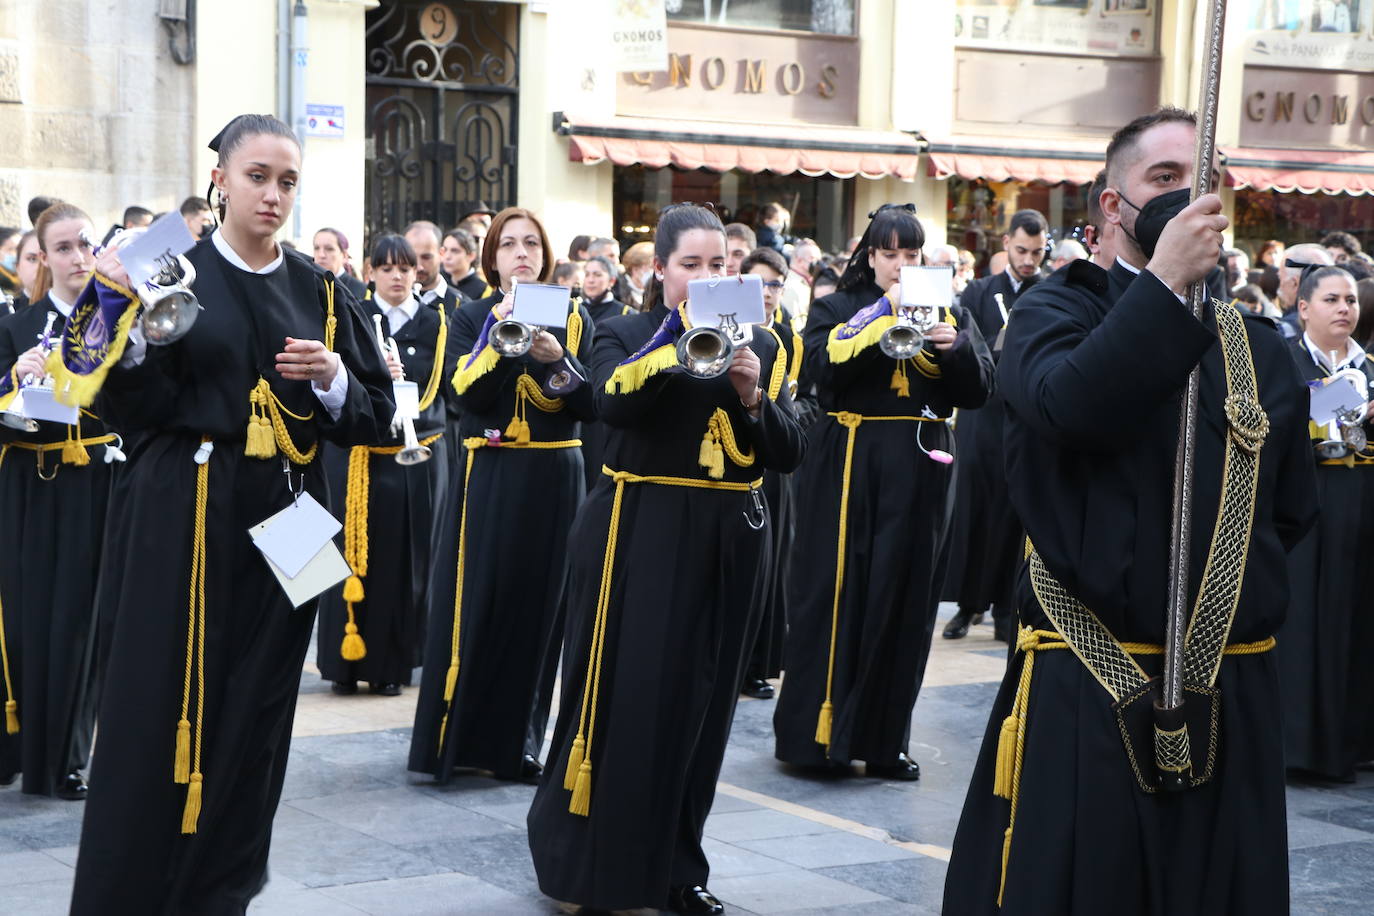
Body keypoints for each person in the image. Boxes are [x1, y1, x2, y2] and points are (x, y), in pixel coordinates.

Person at [944, 107, 1317, 915]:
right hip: (1093, 684)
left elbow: (1287, 514)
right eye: (1163, 180)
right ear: (1113, 208)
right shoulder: (1055, 313)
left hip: (1231, 686)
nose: (1188, 197)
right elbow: (1071, 409)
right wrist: (1163, 287)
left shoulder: (1260, 348)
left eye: (1200, 182)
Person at [67, 114, 394, 914]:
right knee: (155, 708)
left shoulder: (322, 291)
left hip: (289, 519)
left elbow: (379, 414)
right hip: (182, 509)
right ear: (220, 178)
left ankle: (221, 894)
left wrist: (330, 381)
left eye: (287, 181)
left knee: (259, 719)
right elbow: (92, 383)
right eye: (257, 176)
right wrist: (117, 309)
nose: (273, 195)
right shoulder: (166, 267)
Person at [527, 203, 805, 916]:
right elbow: (610, 405)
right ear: (659, 271)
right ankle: (593, 870)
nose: (710, 278)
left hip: (730, 538)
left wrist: (750, 396)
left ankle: (679, 869)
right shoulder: (621, 331)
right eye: (693, 266)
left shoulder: (764, 346)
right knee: (628, 698)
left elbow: (789, 450)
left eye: (721, 266)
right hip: (637, 530)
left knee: (704, 706)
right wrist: (680, 341)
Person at [773, 203, 994, 781]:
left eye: (912, 254)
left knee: (905, 599)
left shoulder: (953, 310)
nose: (901, 264)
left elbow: (978, 392)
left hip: (919, 468)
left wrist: (956, 349)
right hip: (847, 462)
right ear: (869, 256)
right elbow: (821, 372)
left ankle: (884, 738)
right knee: (833, 590)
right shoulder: (835, 307)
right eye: (890, 253)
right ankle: (815, 738)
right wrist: (881, 315)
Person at [409, 206, 593, 785]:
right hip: (488, 472)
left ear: (546, 253)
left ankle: (523, 743)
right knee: (476, 605)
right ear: (492, 256)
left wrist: (557, 359)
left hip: (555, 476)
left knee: (542, 614)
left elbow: (591, 405)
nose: (521, 253)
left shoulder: (576, 318)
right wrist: (500, 335)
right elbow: (467, 396)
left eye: (531, 244)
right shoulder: (469, 315)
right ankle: (454, 739)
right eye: (509, 244)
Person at [0, 203, 118, 800]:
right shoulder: (19, 323)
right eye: (64, 248)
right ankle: (15, 748)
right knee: (22, 620)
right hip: (26, 484)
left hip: (93, 484)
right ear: (42, 258)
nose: (78, 257)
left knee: (79, 624)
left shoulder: (115, 320)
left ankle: (66, 761)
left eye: (86, 245)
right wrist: (10, 382)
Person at [317, 234, 451, 698]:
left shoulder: (438, 322)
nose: (397, 277)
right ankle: (343, 664)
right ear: (370, 272)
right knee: (346, 556)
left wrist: (406, 379)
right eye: (387, 268)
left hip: (413, 455)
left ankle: (391, 664)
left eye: (406, 268)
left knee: (403, 560)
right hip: (358, 454)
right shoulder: (354, 315)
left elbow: (446, 390)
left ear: (417, 273)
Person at [1279, 265, 1374, 782]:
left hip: (1363, 507)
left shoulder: (1370, 365)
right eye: (1333, 299)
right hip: (1309, 505)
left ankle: (1355, 740)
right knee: (1308, 626)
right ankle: (1303, 746)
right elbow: (1278, 415)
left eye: (1352, 300)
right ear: (1304, 308)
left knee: (1358, 623)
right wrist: (1343, 398)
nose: (1344, 309)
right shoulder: (1285, 360)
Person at [942, 209, 1049, 643]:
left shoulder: (1049, 291)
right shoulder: (980, 291)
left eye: (1037, 252)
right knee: (974, 509)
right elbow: (963, 343)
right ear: (1006, 243)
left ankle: (1008, 607)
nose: (1028, 260)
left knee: (1013, 512)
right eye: (1021, 250)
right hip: (981, 414)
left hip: (1024, 416)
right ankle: (968, 606)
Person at [737, 247, 808, 702]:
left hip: (772, 459)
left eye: (775, 284)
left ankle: (758, 662)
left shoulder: (787, 337)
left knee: (771, 563)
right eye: (758, 283)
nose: (767, 293)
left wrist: (788, 411)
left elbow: (798, 398)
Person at [578, 255, 632, 491]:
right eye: (587, 274)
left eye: (597, 274)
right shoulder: (573, 310)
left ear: (611, 280)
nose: (590, 280)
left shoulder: (625, 313)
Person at [1277, 243, 1335, 339]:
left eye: (1280, 278)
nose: (1280, 286)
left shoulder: (1282, 331)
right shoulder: (1343, 324)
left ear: (1295, 283)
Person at [405, 221, 460, 320]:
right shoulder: (388, 302)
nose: (419, 266)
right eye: (411, 257)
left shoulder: (459, 305)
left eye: (426, 257)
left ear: (441, 254)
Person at [312, 227, 366, 300]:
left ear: (344, 255)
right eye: (317, 248)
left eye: (329, 249)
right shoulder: (307, 286)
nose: (321, 255)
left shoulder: (360, 290)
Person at [442, 227, 490, 302]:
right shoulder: (440, 282)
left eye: (455, 251)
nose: (447, 256)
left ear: (471, 256)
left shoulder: (484, 290)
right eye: (445, 250)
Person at [781, 238, 820, 327]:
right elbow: (796, 328)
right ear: (799, 261)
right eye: (813, 259)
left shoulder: (807, 284)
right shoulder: (792, 288)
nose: (817, 264)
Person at [620, 240, 654, 308]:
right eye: (651, 267)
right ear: (635, 269)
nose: (654, 271)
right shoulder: (618, 291)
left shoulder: (654, 291)